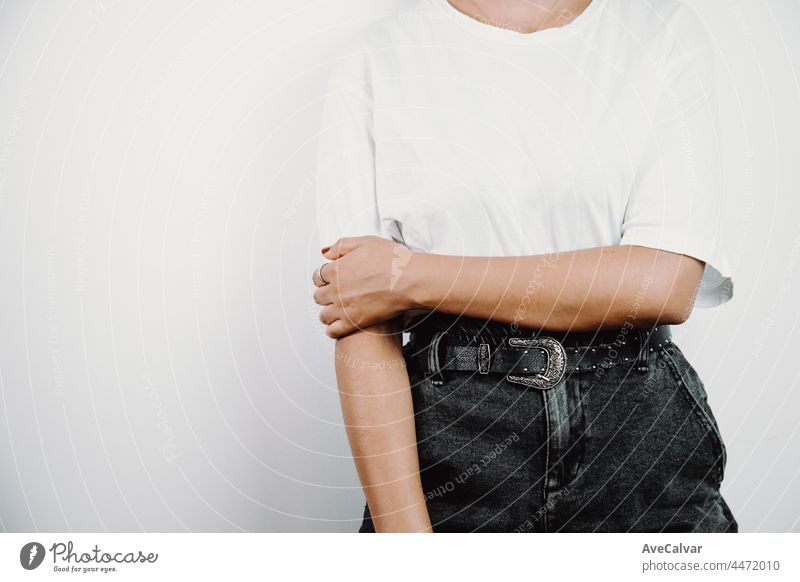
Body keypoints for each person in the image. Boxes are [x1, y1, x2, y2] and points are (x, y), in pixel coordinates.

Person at [312, 0, 737, 533]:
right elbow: (359, 313)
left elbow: (664, 286)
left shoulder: (658, 33)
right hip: (452, 438)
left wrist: (407, 277)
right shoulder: (376, 60)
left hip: (634, 431)